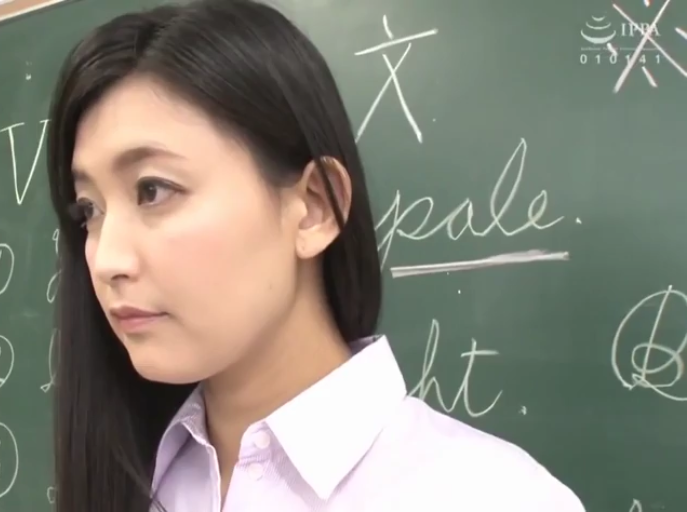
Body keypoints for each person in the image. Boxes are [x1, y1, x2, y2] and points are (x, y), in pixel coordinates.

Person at [45, 0, 586, 510]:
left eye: (153, 190)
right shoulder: (133, 481)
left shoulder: (492, 496)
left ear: (313, 208)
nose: (107, 260)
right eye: (88, 210)